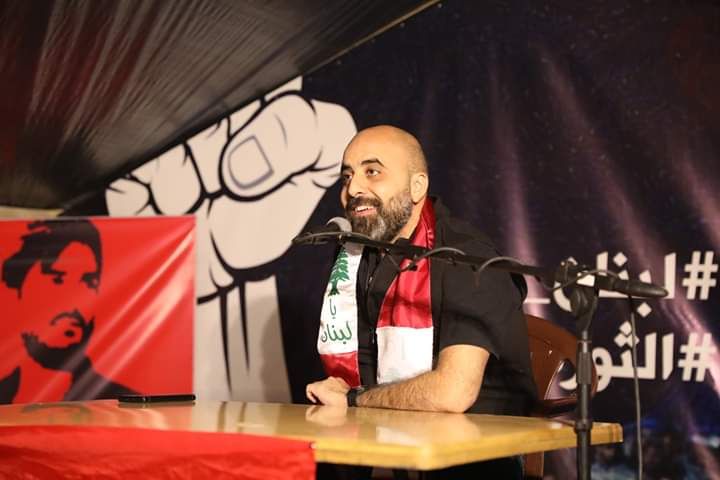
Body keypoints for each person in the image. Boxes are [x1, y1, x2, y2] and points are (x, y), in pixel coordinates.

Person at [306, 125, 537, 478]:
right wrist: (344, 396)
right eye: (347, 177)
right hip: (382, 444)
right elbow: (358, 369)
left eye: (373, 172)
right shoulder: (358, 258)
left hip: (474, 459)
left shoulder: (467, 258)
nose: (353, 189)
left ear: (417, 186)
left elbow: (453, 393)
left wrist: (353, 399)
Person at [0, 219, 136, 403]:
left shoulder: (125, 406)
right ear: (17, 287)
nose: (75, 303)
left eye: (88, 282)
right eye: (57, 279)